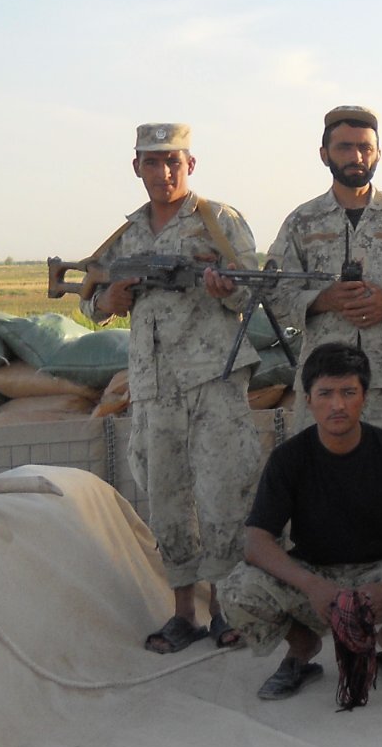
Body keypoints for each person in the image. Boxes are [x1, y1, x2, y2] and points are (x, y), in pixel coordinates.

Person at [81, 123, 262, 654]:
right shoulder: (125, 237)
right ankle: (184, 611)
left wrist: (225, 289)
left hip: (214, 379)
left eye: (174, 162)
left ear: (191, 164)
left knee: (224, 492)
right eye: (153, 162)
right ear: (136, 166)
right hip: (153, 386)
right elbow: (91, 298)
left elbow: (250, 292)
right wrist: (107, 302)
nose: (164, 173)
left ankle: (230, 607)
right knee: (166, 497)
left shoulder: (218, 221)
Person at [219, 343, 382, 700]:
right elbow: (257, 541)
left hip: (381, 574)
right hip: (315, 578)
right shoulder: (289, 459)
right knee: (236, 590)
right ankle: (301, 650)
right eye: (326, 394)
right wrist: (312, 586)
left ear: (364, 397)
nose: (337, 405)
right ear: (307, 399)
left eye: (349, 392)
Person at [266, 104, 382, 447]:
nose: (356, 156)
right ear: (324, 154)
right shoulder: (303, 221)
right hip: (323, 384)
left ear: (378, 154)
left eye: (365, 148)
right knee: (321, 484)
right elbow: (275, 291)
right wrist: (322, 300)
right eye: (344, 147)